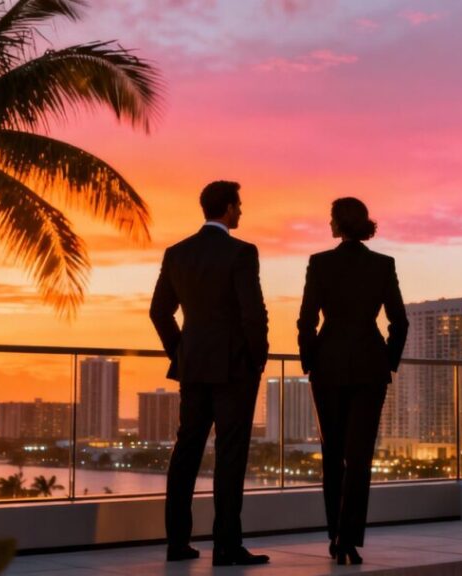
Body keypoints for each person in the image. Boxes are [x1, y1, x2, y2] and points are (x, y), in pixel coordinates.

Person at [150, 180, 270, 566]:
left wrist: (181, 351)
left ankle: (177, 543)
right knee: (230, 457)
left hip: (193, 367)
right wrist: (258, 358)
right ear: (229, 208)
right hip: (235, 369)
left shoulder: (177, 253)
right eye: (240, 204)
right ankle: (226, 546)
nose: (242, 211)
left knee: (186, 453)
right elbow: (253, 313)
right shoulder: (242, 252)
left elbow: (159, 312)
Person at [297, 197, 409, 566]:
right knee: (359, 458)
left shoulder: (320, 263)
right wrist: (387, 362)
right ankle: (350, 540)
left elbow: (306, 321)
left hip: (328, 367)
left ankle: (335, 536)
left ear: (336, 224)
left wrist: (310, 361)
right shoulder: (382, 264)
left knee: (333, 456)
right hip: (369, 368)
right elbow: (399, 323)